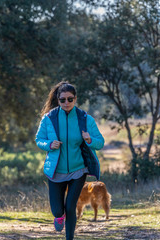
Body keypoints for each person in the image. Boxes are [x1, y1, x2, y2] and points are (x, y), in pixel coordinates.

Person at [35, 82, 104, 240]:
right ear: (58, 100)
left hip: (78, 170)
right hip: (55, 170)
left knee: (71, 206)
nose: (66, 103)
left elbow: (100, 142)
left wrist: (89, 139)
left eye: (70, 99)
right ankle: (59, 217)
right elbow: (39, 139)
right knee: (58, 210)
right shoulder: (49, 118)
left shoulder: (85, 119)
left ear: (75, 99)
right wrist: (49, 144)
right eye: (63, 100)